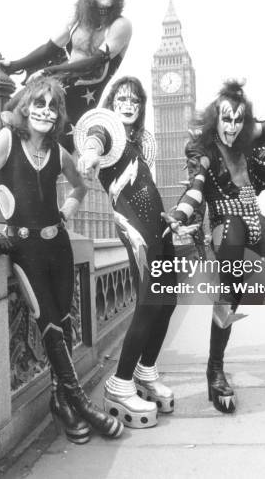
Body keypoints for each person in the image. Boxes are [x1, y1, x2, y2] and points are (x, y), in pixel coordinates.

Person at [0, 76, 123, 444]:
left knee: (64, 322)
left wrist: (66, 213)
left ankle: (60, 402)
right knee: (49, 324)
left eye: (53, 107)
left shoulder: (57, 152)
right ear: (26, 107)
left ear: (58, 116)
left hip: (59, 246)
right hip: (25, 250)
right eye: (39, 104)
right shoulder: (8, 140)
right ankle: (82, 403)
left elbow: (81, 186)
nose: (45, 111)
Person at [164, 62, 265, 413]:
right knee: (230, 291)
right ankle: (216, 369)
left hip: (253, 218)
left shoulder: (249, 136)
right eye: (226, 119)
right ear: (215, 118)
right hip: (226, 224)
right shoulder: (201, 149)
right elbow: (196, 186)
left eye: (238, 119)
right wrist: (180, 214)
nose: (232, 126)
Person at [75, 77, 189, 428]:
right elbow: (94, 138)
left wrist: (171, 217)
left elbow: (145, 185)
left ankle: (145, 371)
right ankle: (119, 384)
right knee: (150, 300)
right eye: (122, 98)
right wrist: (91, 153)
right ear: (112, 102)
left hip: (159, 224)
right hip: (136, 229)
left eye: (135, 101)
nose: (127, 105)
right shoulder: (107, 131)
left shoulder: (137, 142)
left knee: (168, 299)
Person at [0, 0, 132, 150]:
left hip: (80, 94)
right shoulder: (76, 19)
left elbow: (95, 62)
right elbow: (49, 48)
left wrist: (50, 72)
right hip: (57, 82)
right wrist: (15, 66)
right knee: (12, 110)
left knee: (57, 148)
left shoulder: (121, 25)